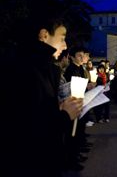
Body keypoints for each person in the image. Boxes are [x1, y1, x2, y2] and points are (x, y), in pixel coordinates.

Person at [1, 17, 83, 177]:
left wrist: (59, 109)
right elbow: (28, 129)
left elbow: (39, 111)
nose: (65, 45)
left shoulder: (41, 67)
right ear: (44, 35)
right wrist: (65, 116)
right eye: (62, 38)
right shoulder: (24, 69)